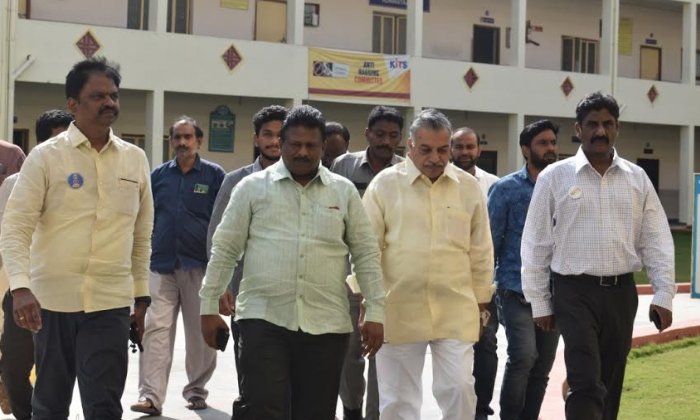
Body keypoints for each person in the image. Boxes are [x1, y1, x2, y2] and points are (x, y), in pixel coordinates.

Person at [200, 105, 385, 420]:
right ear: (281, 144)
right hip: (262, 318)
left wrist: (375, 310)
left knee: (315, 413)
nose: (302, 152)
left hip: (326, 324)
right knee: (263, 407)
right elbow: (225, 248)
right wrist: (208, 306)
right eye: (295, 144)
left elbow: (365, 253)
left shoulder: (343, 192)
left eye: (311, 145)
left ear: (323, 147)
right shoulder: (251, 188)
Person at [0, 57, 154, 420]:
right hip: (52, 304)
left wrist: (141, 295)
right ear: (73, 104)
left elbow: (142, 233)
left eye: (113, 95)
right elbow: (16, 225)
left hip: (110, 302)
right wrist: (20, 287)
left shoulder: (134, 159)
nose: (109, 103)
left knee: (104, 405)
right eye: (98, 96)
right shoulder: (45, 157)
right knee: (50, 404)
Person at [521, 92, 676, 420]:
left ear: (617, 128)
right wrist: (540, 302)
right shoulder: (554, 177)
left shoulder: (637, 178)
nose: (600, 131)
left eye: (608, 124)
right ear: (578, 129)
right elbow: (536, 245)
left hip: (621, 294)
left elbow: (656, 240)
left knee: (610, 380)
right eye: (592, 124)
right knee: (586, 381)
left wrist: (664, 294)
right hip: (573, 292)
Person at [363, 109, 494, 420]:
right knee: (398, 401)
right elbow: (366, 250)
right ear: (410, 146)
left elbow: (481, 249)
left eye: (442, 150)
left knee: (460, 389)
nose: (435, 158)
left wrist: (481, 304)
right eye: (426, 149)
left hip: (456, 308)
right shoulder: (385, 185)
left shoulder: (468, 187)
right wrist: (370, 307)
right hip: (398, 307)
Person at [131, 116, 225, 415]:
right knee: (155, 330)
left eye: (188, 137)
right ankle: (150, 397)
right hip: (161, 265)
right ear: (170, 141)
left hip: (201, 266)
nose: (182, 143)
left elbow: (224, 221)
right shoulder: (158, 176)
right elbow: (145, 216)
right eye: (177, 137)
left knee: (200, 334)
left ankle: (196, 391)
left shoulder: (214, 176)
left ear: (199, 141)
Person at [330, 105, 404, 420]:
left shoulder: (405, 171)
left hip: (390, 280)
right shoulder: (343, 166)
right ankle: (352, 410)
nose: (386, 141)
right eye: (380, 134)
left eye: (393, 135)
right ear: (367, 134)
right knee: (348, 354)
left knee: (381, 356)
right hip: (347, 277)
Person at [208, 104, 288, 390]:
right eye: (267, 134)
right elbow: (218, 237)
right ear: (256, 138)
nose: (274, 140)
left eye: (280, 134)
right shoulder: (235, 181)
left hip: (291, 294)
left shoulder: (304, 181)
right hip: (246, 296)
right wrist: (221, 287)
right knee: (251, 374)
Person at [0, 110, 73, 420]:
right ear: (42, 143)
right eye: (60, 139)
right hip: (21, 288)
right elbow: (6, 234)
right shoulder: (15, 183)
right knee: (14, 367)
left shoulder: (80, 183)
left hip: (64, 291)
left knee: (55, 368)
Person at [488, 120, 560, 420]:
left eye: (553, 142)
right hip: (514, 289)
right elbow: (491, 241)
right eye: (543, 143)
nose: (550, 148)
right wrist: (484, 291)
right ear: (525, 149)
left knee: (542, 366)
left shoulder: (564, 186)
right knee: (523, 357)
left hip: (553, 292)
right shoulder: (505, 188)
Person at [449, 126, 499, 420]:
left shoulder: (494, 185)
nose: (465, 152)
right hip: (447, 280)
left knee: (486, 342)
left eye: (470, 146)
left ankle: (481, 409)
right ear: (450, 149)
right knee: (450, 347)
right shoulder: (439, 181)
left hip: (481, 280)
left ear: (479, 150)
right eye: (459, 146)